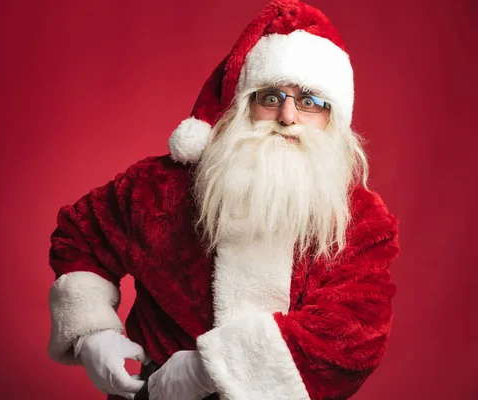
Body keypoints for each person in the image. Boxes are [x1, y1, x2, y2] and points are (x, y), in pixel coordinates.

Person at [46, 0, 400, 399]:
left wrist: (207, 369)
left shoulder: (359, 217)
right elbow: (81, 235)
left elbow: (354, 335)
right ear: (243, 103)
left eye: (309, 101)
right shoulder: (160, 185)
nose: (287, 116)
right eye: (270, 96)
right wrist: (94, 334)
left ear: (332, 117)